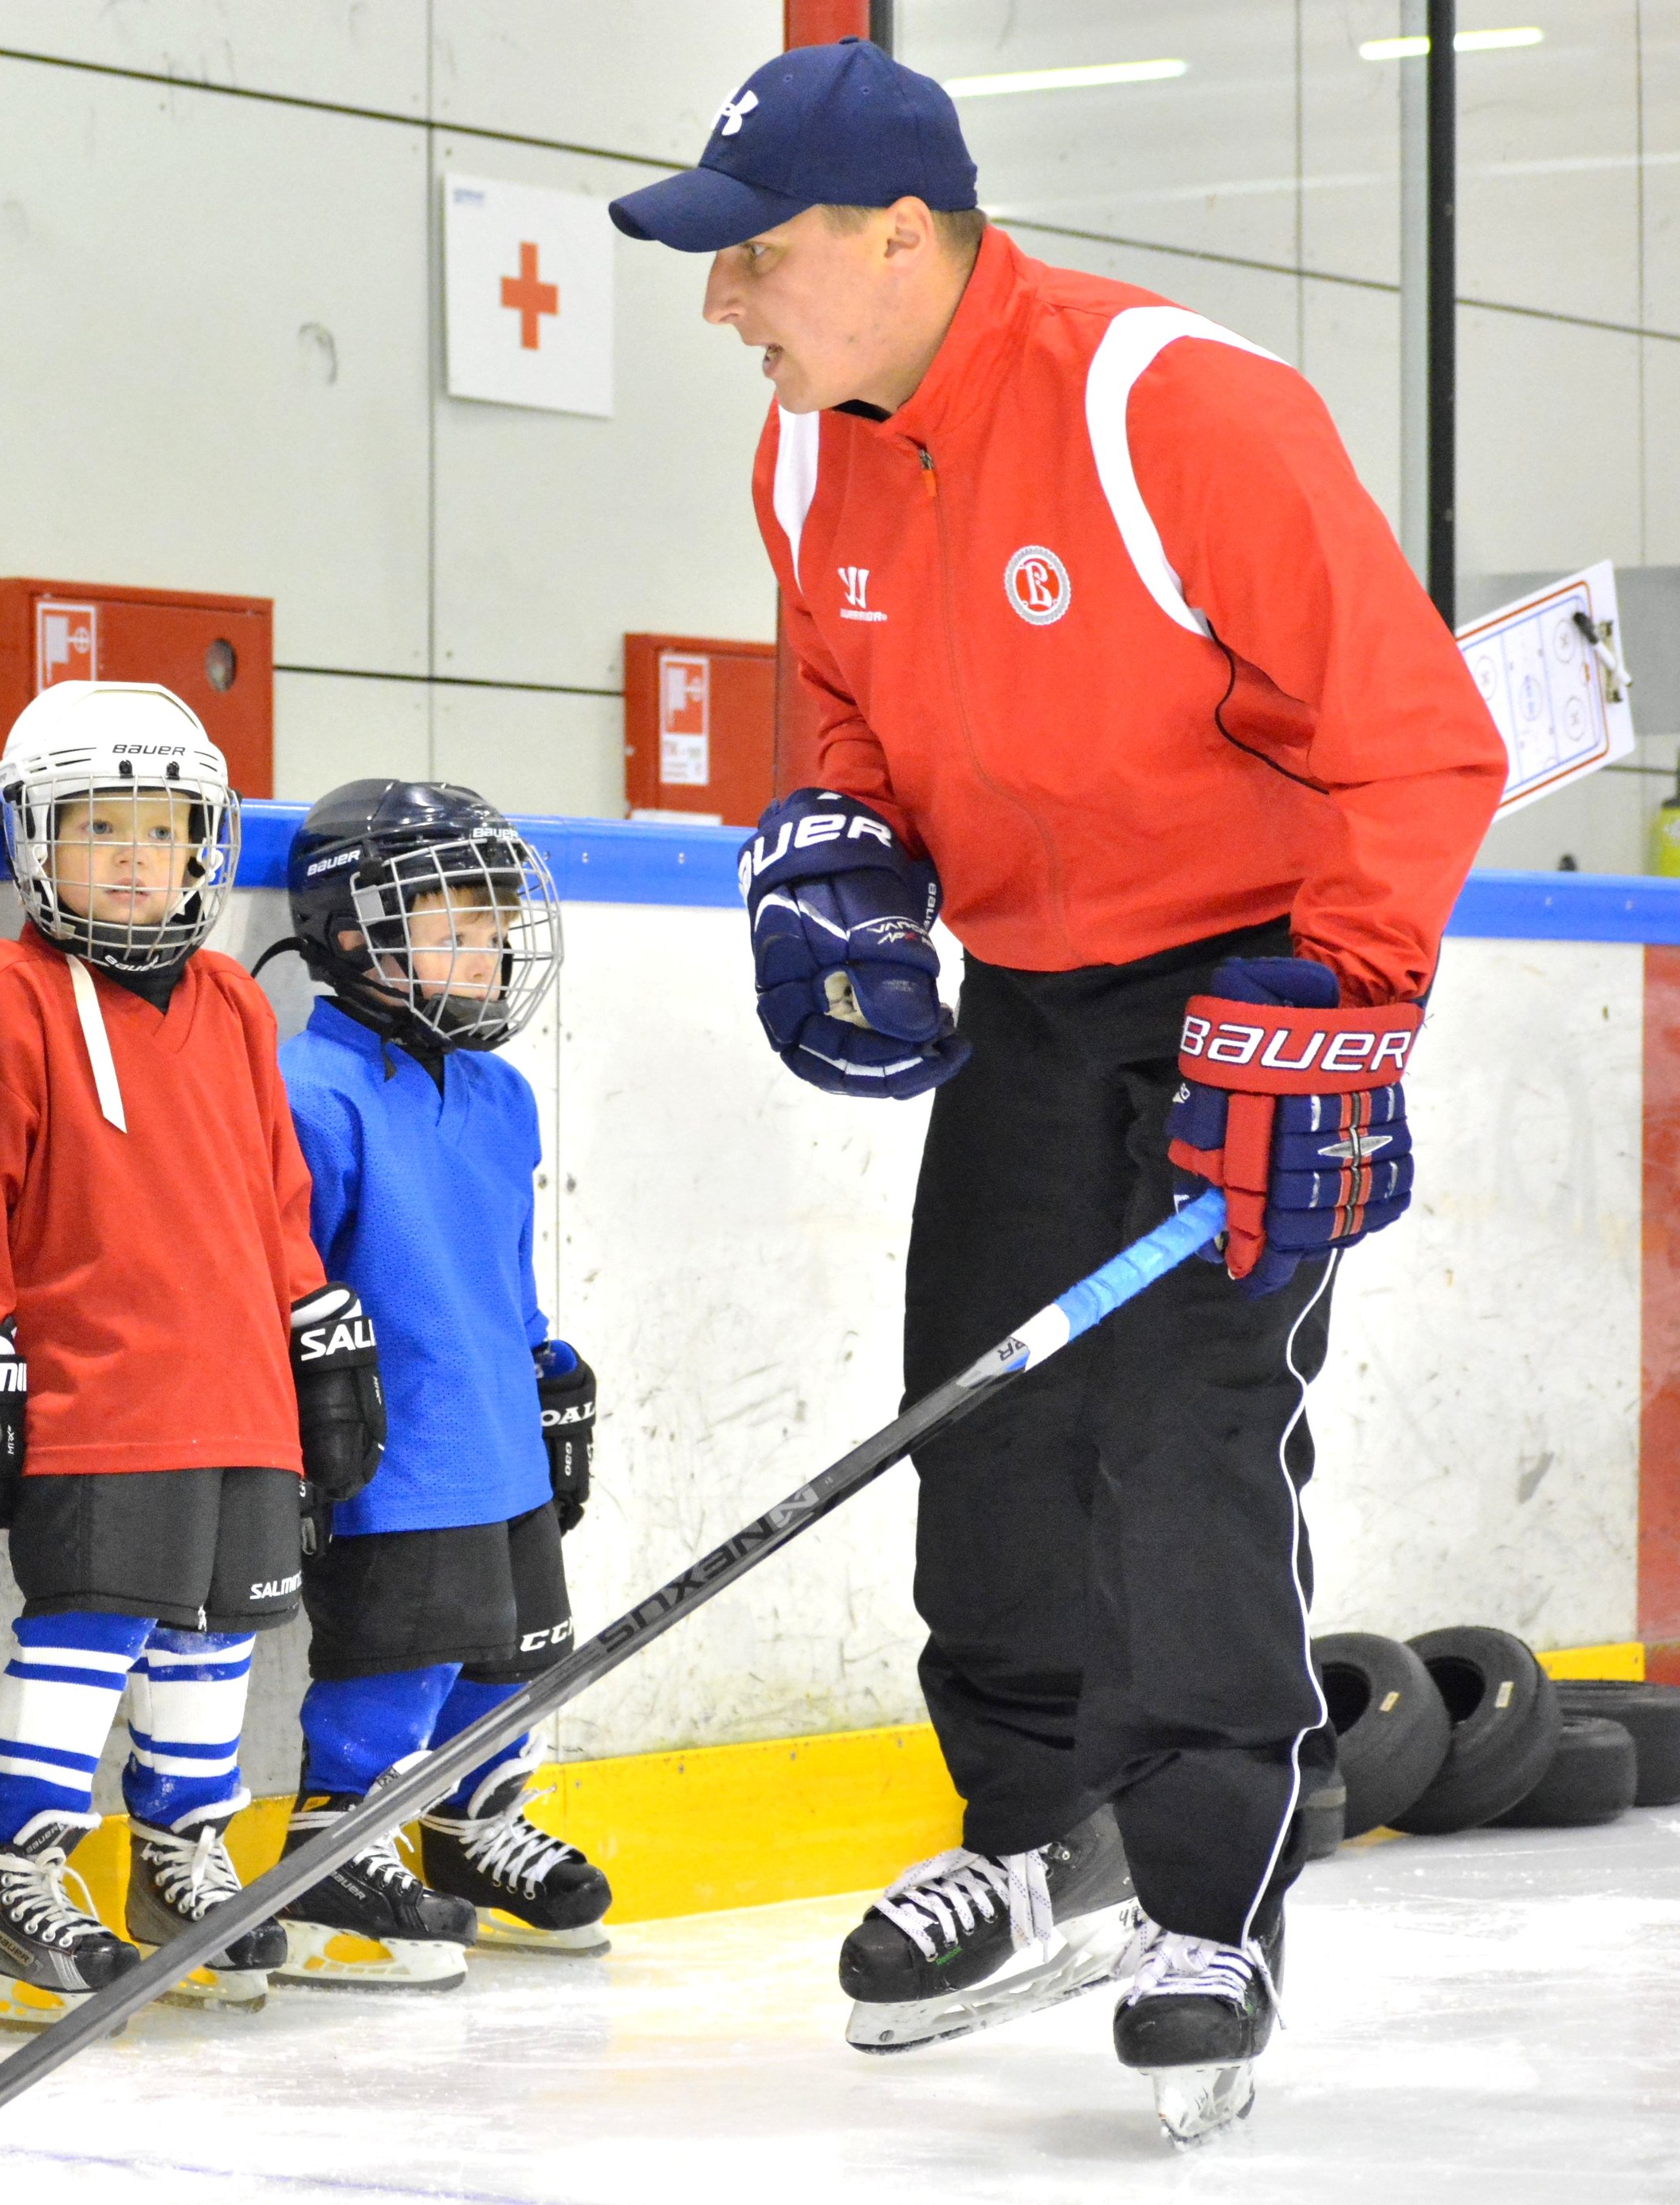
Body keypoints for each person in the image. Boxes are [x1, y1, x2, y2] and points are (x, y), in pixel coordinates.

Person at [612, 37, 1506, 2140]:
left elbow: (1418, 735)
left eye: (752, 259)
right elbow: (847, 717)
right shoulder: (809, 452)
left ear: (899, 236)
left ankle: (1211, 1891)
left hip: (1245, 990)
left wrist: (1342, 1003)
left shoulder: (1172, 406)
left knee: (1181, 1437)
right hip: (1033, 991)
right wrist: (839, 860)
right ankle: (1038, 1832)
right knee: (986, 1414)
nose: (722, 304)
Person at [0, 682, 381, 2024]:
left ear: (205, 845)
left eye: (163, 829)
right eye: (97, 827)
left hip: (236, 1391)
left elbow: (272, 1192)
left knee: (220, 1632)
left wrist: (310, 1316)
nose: (134, 856)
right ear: (33, 842)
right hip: (95, 1392)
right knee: (90, 1629)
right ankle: (13, 1869)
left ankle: (183, 1857)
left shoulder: (233, 1000)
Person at [271, 780, 610, 1987]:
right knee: (400, 1648)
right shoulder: (311, 1090)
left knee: (510, 1650)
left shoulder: (500, 1094)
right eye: (451, 923)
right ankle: (334, 1843)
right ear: (352, 933)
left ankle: (473, 1822)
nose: (488, 948)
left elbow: (505, 1271)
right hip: (395, 1449)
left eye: (493, 922)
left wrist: (544, 1367)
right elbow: (291, 1279)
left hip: (494, 1435)